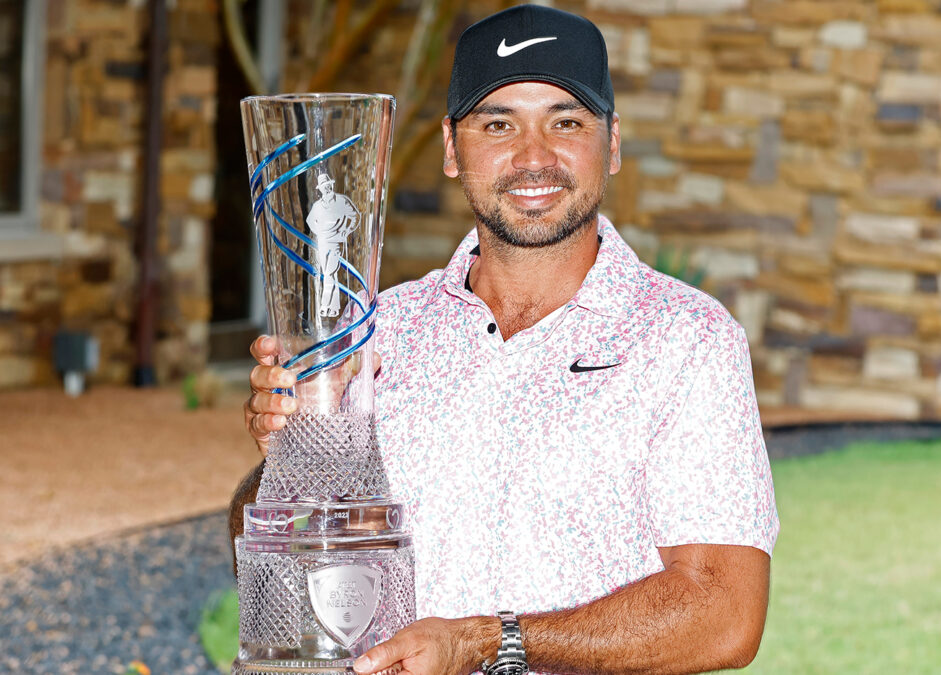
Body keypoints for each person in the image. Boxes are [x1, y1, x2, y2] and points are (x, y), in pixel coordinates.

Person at [241, 5, 779, 674]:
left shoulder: (687, 342)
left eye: (566, 122)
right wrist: (289, 456)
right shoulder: (377, 330)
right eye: (498, 123)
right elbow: (280, 585)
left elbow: (725, 614)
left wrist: (484, 639)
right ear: (449, 147)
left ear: (611, 144)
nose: (533, 157)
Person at [306, 172, 360, 317]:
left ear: (331, 185)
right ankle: (335, 308)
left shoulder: (342, 201)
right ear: (320, 189)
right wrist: (319, 232)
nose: (326, 189)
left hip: (336, 242)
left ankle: (324, 306)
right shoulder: (318, 205)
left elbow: (355, 217)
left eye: (328, 185)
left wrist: (346, 231)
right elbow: (310, 221)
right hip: (323, 242)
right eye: (323, 187)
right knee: (331, 275)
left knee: (329, 273)